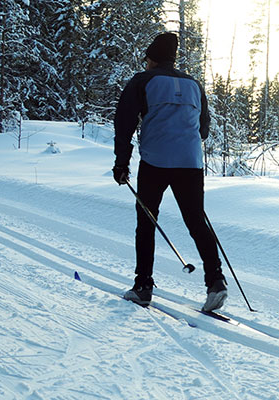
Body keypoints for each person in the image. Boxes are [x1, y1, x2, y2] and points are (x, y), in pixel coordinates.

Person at [112, 32, 227, 312]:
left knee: (147, 221)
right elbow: (203, 129)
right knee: (196, 222)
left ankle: (143, 287)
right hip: (190, 163)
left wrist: (121, 162)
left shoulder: (143, 80)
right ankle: (215, 281)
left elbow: (124, 122)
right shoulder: (194, 84)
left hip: (155, 162)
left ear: (152, 59)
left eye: (148, 58)